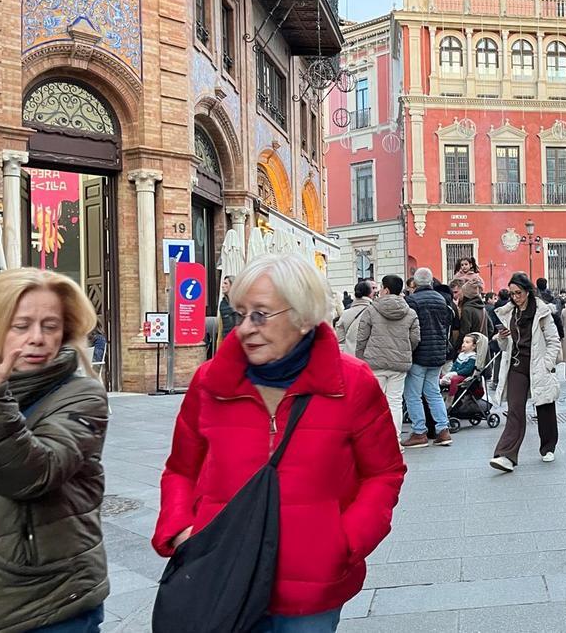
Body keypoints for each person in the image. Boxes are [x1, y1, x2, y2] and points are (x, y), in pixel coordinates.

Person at [154, 254, 406, 633]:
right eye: (240, 314)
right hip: (223, 578)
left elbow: (384, 473)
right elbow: (180, 470)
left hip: (310, 591)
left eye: (260, 314)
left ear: (303, 317)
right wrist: (182, 530)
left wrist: (344, 542)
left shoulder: (351, 383)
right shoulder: (210, 383)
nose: (244, 329)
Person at [0, 268, 109, 632]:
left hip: (48, 599)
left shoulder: (82, 395)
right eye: (21, 325)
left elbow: (31, 475)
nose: (37, 339)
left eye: (50, 325)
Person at [489, 273, 561, 472]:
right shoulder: (509, 313)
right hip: (517, 365)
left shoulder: (542, 311)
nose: (515, 297)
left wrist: (547, 363)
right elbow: (505, 346)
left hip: (538, 364)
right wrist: (502, 337)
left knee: (544, 405)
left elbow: (554, 340)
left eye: (518, 293)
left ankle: (548, 446)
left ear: (527, 291)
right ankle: (506, 455)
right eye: (512, 294)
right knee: (515, 409)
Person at [355, 275, 420, 444]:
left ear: (386, 289)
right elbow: (415, 339)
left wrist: (361, 358)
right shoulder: (410, 312)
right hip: (399, 363)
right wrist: (405, 351)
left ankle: (377, 441)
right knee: (395, 402)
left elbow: (362, 337)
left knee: (375, 403)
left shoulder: (371, 310)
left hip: (375, 362)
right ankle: (395, 441)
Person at [401, 268, 455, 448]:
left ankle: (419, 432)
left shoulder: (412, 300)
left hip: (420, 353)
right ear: (431, 282)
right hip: (438, 353)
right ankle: (443, 430)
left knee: (413, 394)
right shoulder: (442, 299)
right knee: (433, 392)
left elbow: (409, 328)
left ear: (414, 284)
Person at [335, 280, 373, 354]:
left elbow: (340, 340)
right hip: (370, 358)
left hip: (350, 357)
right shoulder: (374, 312)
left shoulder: (345, 314)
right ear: (370, 294)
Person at [439, 332, 479, 399]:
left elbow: (467, 369)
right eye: (463, 342)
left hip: (464, 376)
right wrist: (449, 374)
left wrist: (455, 373)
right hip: (456, 374)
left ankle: (451, 396)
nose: (463, 344)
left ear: (473, 346)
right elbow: (454, 365)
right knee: (440, 376)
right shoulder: (461, 354)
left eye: (467, 342)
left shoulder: (472, 356)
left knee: (454, 379)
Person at [218, 276, 242, 341]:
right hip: (226, 338)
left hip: (239, 339)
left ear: (232, 285)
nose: (222, 286)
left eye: (225, 283)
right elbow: (221, 325)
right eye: (223, 283)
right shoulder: (222, 303)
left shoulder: (240, 301)